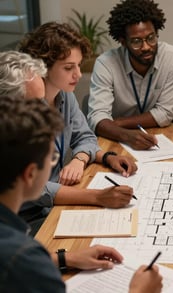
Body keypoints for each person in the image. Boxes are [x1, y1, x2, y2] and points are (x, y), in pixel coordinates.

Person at [0, 96, 163, 292]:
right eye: (52, 157)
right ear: (30, 174)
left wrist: (64, 258)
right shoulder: (23, 256)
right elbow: (21, 263)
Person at [15, 22, 138, 235]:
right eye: (69, 68)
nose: (78, 75)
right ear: (42, 68)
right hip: (25, 216)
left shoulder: (66, 96)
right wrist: (97, 197)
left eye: (79, 65)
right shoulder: (23, 107)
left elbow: (86, 136)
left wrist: (93, 158)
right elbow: (34, 186)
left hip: (54, 203)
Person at [87, 0, 173, 150]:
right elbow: (97, 118)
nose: (146, 47)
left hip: (159, 141)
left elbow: (165, 114)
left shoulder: (171, 57)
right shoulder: (106, 63)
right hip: (117, 139)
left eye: (151, 38)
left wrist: (118, 123)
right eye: (136, 41)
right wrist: (126, 135)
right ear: (123, 42)